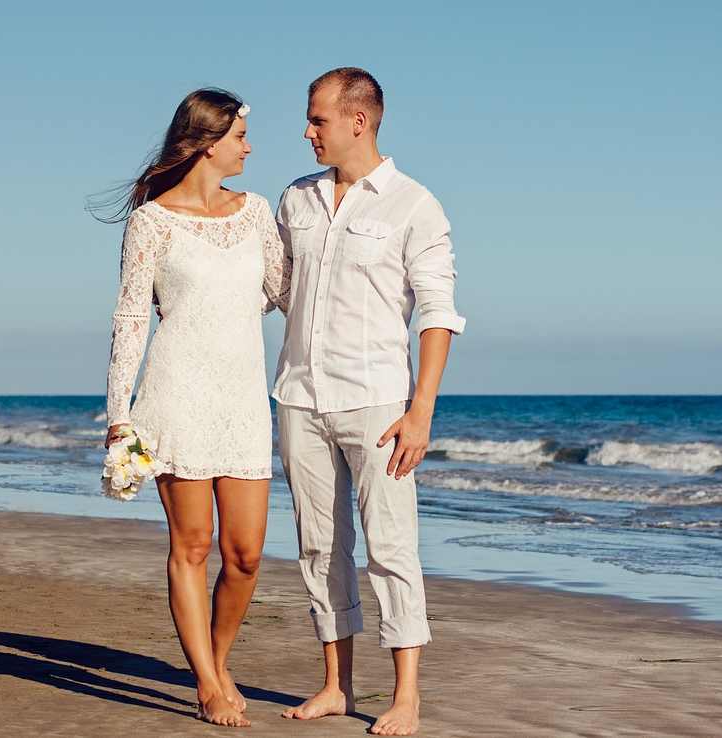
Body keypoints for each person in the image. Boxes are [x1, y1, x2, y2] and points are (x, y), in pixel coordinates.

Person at [272, 67, 465, 737]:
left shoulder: (415, 204)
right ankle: (336, 685)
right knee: (318, 548)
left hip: (380, 404)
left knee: (390, 547)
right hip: (298, 396)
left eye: (317, 119)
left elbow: (438, 314)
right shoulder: (294, 200)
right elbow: (273, 288)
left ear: (360, 120)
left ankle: (406, 695)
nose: (307, 131)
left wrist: (422, 409)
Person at [98, 88, 288, 728]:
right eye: (239, 136)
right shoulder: (150, 221)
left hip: (241, 399)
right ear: (206, 143)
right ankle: (208, 683)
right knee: (193, 544)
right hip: (174, 395)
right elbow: (130, 318)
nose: (249, 147)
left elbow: (283, 293)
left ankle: (216, 658)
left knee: (247, 554)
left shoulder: (257, 212)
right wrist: (118, 415)